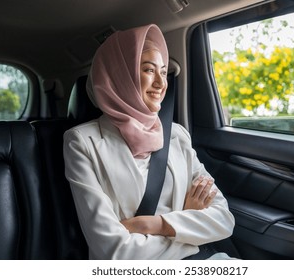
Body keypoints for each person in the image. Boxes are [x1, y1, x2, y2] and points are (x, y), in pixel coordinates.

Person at [63, 23, 235, 260]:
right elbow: (116, 251)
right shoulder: (81, 142)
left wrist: (154, 225)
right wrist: (188, 225)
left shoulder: (177, 135)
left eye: (163, 72)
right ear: (119, 75)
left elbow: (224, 220)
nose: (161, 83)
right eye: (148, 70)